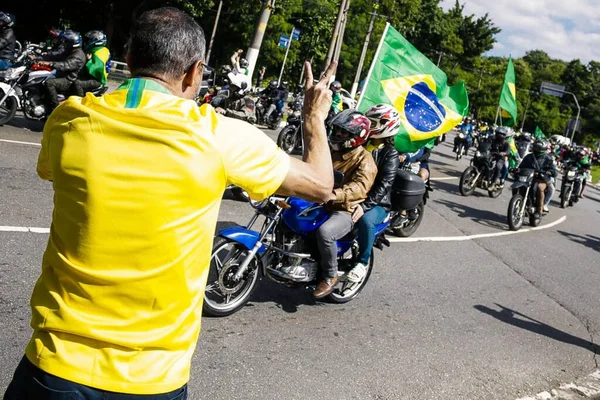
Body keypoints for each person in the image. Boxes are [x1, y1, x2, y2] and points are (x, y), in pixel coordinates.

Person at [4, 7, 337, 399]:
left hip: (54, 368)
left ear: (128, 60)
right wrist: (314, 117)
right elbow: (319, 185)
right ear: (195, 72)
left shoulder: (69, 120)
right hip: (152, 380)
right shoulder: (220, 137)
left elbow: (51, 171)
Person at [312, 109, 377, 298]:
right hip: (319, 199)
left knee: (325, 232)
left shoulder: (365, 160)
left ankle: (330, 276)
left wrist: (335, 194)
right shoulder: (331, 151)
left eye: (344, 132)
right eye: (337, 130)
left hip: (345, 208)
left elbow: (360, 187)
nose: (338, 135)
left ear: (357, 136)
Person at [347, 104, 401, 283]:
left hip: (376, 203)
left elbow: (385, 185)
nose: (368, 124)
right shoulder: (360, 143)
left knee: (365, 220)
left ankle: (362, 263)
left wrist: (365, 206)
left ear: (386, 126)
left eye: (373, 122)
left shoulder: (390, 154)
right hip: (353, 192)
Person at [37, 30, 86, 112]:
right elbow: (56, 56)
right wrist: (38, 58)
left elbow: (65, 65)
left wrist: (50, 64)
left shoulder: (78, 55)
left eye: (66, 42)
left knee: (49, 83)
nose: (64, 43)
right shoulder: (70, 51)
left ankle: (55, 109)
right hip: (62, 75)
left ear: (72, 43)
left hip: (69, 79)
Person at [519, 138, 556, 217]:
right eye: (536, 147)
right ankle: (518, 202)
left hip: (541, 179)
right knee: (517, 184)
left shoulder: (548, 158)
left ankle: (539, 210)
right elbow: (521, 166)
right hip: (528, 177)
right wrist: (517, 170)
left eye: (539, 148)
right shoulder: (528, 157)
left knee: (539, 188)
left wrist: (549, 171)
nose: (536, 150)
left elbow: (553, 170)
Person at [73, 30, 111, 97]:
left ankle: (80, 102)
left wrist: (89, 61)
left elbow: (97, 68)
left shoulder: (101, 51)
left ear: (96, 41)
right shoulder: (93, 50)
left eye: (90, 40)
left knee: (77, 83)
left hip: (97, 80)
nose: (87, 42)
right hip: (90, 77)